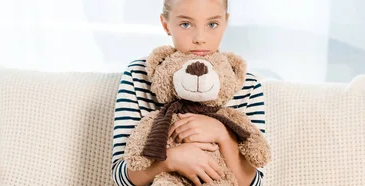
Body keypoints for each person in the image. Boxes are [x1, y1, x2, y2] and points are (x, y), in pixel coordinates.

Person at [111, 0, 266, 185]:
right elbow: (121, 177)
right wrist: (171, 160)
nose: (200, 38)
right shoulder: (140, 74)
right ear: (165, 24)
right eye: (186, 24)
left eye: (212, 24)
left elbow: (254, 182)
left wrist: (223, 135)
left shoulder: (245, 83)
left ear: (225, 23)